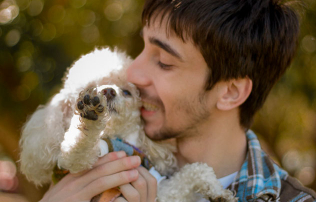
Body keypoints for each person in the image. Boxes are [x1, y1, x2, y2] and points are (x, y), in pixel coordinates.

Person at [41, 0, 316, 201]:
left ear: (231, 93)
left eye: (163, 62)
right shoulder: (94, 165)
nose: (132, 73)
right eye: (143, 47)